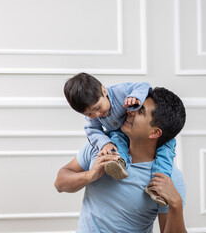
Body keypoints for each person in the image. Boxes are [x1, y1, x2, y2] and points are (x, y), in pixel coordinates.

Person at [54, 87, 187, 233]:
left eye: (140, 111)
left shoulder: (169, 178)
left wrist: (176, 204)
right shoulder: (103, 147)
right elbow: (60, 184)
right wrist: (90, 175)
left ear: (155, 132)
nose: (130, 111)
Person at [63, 73, 176, 206]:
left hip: (135, 129)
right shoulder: (92, 117)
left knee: (166, 151)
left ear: (104, 90)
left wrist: (135, 97)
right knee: (115, 143)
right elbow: (92, 130)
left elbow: (143, 85)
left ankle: (158, 187)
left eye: (98, 108)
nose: (96, 115)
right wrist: (104, 143)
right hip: (119, 131)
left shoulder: (120, 91)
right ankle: (119, 164)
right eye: (88, 114)